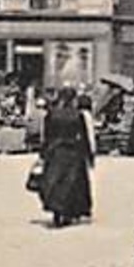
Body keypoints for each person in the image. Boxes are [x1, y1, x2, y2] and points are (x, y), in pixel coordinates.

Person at [38, 87, 94, 227]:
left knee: (55, 181)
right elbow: (83, 136)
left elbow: (47, 135)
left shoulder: (52, 114)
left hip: (55, 151)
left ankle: (57, 211)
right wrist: (88, 155)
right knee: (72, 184)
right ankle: (69, 212)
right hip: (73, 151)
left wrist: (42, 153)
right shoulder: (77, 115)